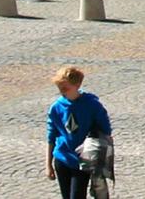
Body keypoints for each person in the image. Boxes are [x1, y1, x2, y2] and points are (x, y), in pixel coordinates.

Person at [44, 64, 112, 199]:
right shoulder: (56, 107)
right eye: (59, 88)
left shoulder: (92, 105)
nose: (62, 92)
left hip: (83, 160)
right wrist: (48, 164)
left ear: (77, 85)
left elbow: (106, 131)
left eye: (65, 88)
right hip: (62, 159)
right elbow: (51, 136)